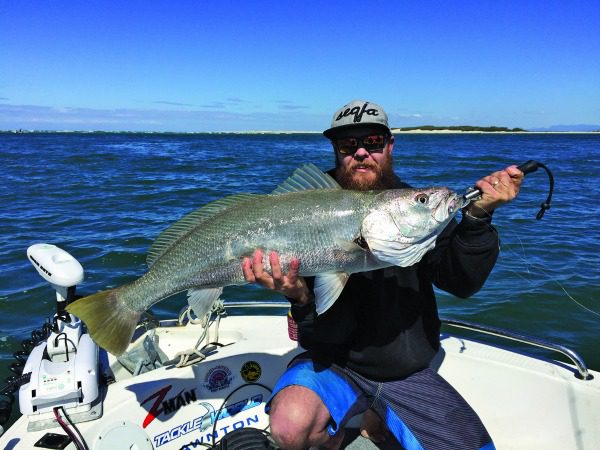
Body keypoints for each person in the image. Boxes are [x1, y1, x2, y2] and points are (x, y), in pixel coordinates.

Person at [242, 100, 523, 450]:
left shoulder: (412, 210)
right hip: (333, 360)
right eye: (348, 145)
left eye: (373, 142)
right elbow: (316, 326)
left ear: (389, 146)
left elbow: (461, 283)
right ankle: (343, 435)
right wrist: (297, 295)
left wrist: (477, 220)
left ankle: (377, 422)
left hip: (403, 371)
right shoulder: (304, 207)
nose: (361, 153)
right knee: (288, 427)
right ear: (336, 150)